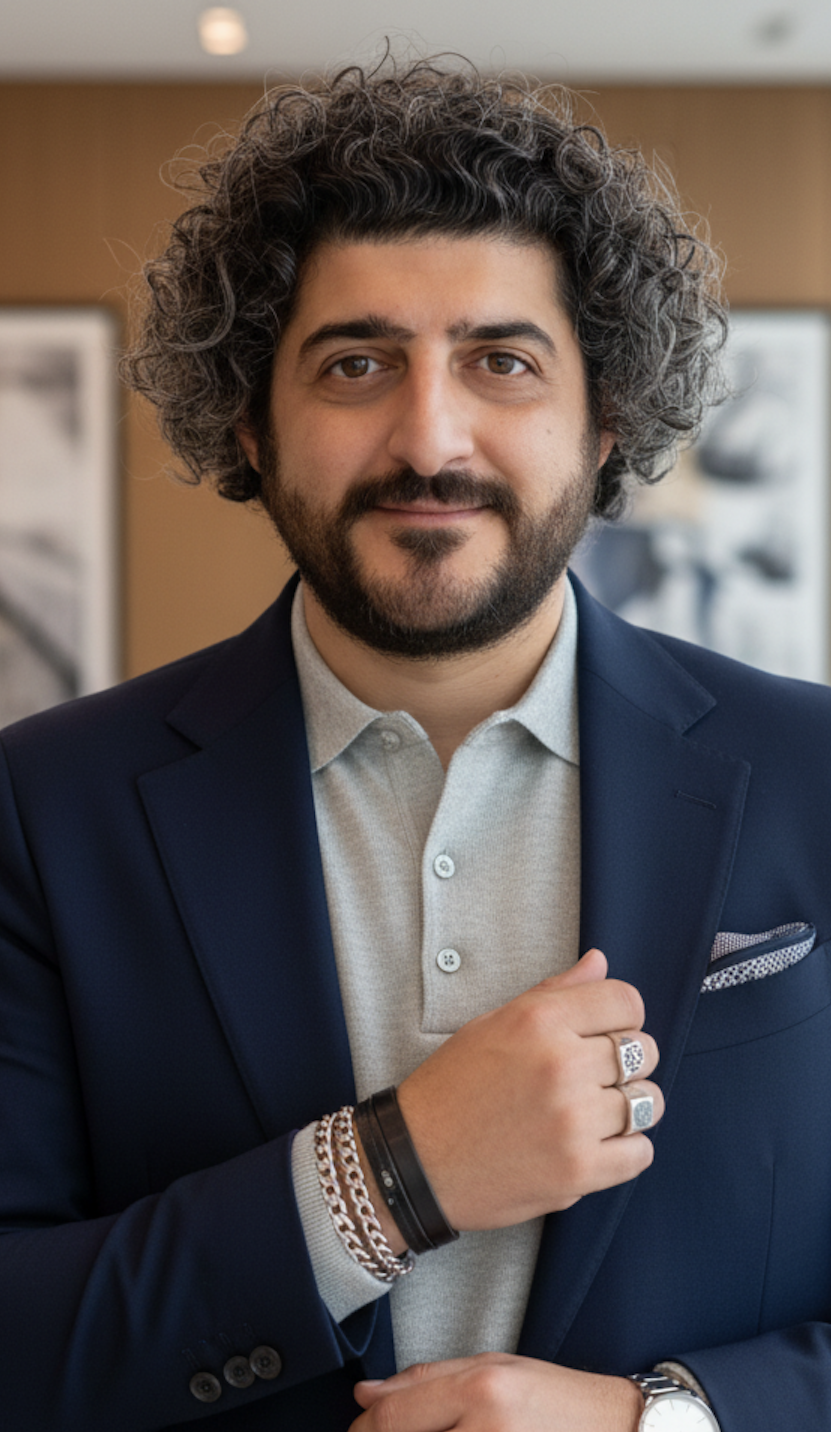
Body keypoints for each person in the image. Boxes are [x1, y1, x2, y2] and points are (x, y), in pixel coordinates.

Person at [1, 56, 829, 1432]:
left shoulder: (816, 775)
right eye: (356, 364)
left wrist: (658, 1421)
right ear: (251, 422)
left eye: (502, 361)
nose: (429, 438)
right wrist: (388, 1178)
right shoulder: (43, 809)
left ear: (606, 416)